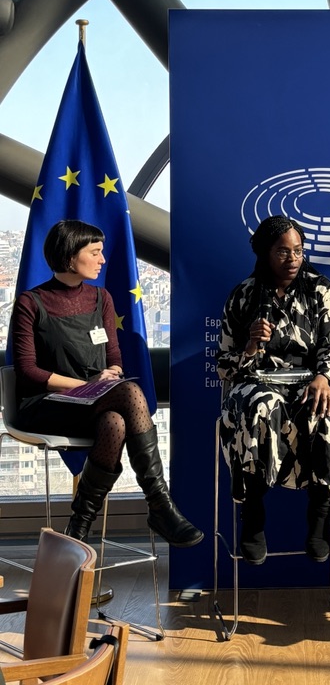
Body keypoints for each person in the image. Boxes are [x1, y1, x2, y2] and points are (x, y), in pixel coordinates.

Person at [10, 219, 203, 547]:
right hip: (46, 404)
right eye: (95, 252)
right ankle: (160, 505)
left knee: (115, 422)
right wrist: (82, 386)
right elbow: (27, 371)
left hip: (96, 401)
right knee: (129, 392)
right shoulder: (31, 303)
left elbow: (114, 356)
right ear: (72, 256)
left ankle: (79, 526)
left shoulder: (102, 298)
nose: (102, 260)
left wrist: (109, 373)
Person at [217, 216, 330, 566]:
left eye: (298, 251)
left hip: (309, 380)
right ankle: (254, 516)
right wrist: (249, 347)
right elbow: (223, 364)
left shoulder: (322, 289)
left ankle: (320, 519)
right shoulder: (243, 295)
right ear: (264, 253)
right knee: (260, 407)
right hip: (257, 380)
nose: (292, 259)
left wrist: (324, 378)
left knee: (324, 412)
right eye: (283, 252)